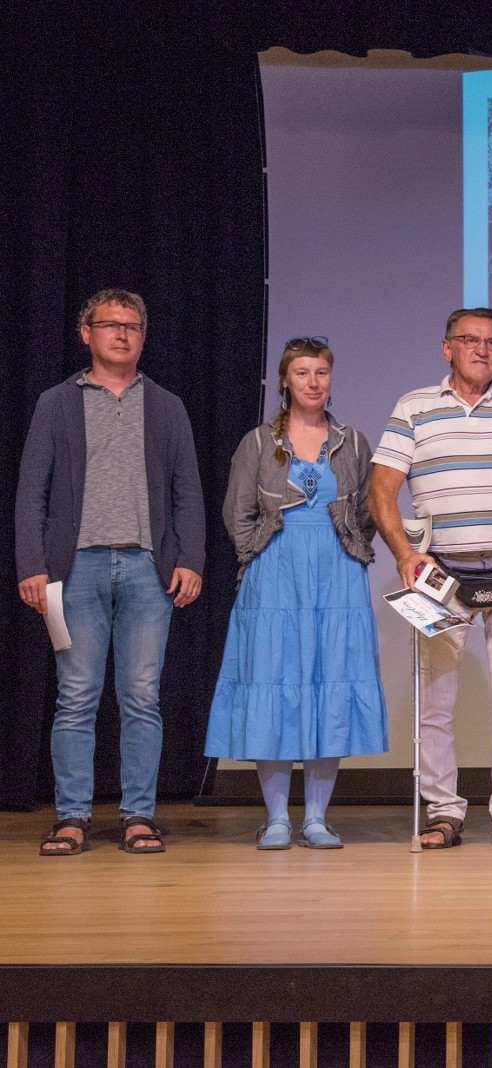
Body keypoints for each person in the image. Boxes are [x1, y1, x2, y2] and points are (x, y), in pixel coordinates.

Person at [16, 289, 204, 856]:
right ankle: (72, 816)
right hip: (74, 569)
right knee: (76, 696)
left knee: (142, 697)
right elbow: (32, 490)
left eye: (131, 326)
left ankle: (138, 816)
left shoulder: (166, 406)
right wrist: (32, 564)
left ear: (143, 337)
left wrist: (190, 558)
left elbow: (187, 490)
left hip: (148, 568)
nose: (121, 334)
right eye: (109, 324)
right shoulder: (56, 402)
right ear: (86, 334)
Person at [370, 308, 492, 850]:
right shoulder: (414, 407)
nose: (482, 349)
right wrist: (406, 555)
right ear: (447, 347)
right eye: (470, 340)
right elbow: (381, 489)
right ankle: (442, 812)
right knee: (434, 702)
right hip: (439, 578)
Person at [205, 337, 388, 849]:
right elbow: (238, 512)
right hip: (275, 575)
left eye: (322, 372)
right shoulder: (258, 442)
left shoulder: (353, 442)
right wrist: (259, 557)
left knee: (329, 685)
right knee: (273, 684)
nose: (313, 382)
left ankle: (316, 818)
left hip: (336, 576)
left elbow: (367, 512)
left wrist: (345, 552)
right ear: (285, 380)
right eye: (303, 373)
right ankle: (277, 819)